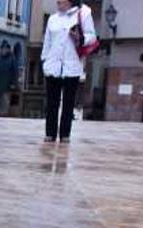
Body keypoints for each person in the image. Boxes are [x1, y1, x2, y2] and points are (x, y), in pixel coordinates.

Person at [41, 0, 96, 144]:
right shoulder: (52, 19)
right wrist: (45, 60)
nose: (58, 2)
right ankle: (50, 133)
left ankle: (65, 134)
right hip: (53, 66)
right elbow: (47, 41)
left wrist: (80, 38)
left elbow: (92, 36)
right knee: (52, 102)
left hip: (71, 66)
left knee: (68, 103)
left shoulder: (83, 14)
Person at [0, 42, 19, 117]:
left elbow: (15, 73)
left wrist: (14, 84)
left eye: (5, 49)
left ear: (8, 50)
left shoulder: (12, 60)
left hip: (7, 87)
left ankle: (3, 117)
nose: (3, 50)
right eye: (2, 49)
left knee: (5, 104)